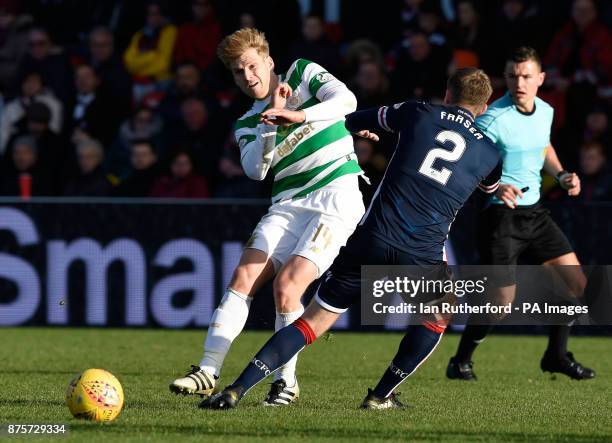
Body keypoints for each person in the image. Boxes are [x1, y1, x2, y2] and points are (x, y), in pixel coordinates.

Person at [202, 67, 502, 410]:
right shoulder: (491, 154)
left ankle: (236, 389)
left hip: (371, 238)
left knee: (311, 322)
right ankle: (380, 395)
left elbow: (352, 119)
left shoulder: (417, 111)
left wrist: (366, 128)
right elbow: (488, 188)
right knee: (437, 317)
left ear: (447, 94)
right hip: (421, 251)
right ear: (485, 106)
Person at [169, 27, 368, 407]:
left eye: (252, 66)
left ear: (269, 61)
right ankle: (208, 370)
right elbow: (256, 172)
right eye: (238, 71)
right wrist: (268, 128)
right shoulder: (247, 121)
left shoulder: (302, 73)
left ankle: (286, 383)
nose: (247, 76)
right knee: (244, 276)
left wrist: (297, 114)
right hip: (288, 202)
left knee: (288, 286)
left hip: (336, 196)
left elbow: (347, 99)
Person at [447, 47, 595, 381]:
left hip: (536, 214)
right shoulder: (492, 118)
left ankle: (556, 356)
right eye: (513, 76)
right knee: (498, 305)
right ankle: (460, 360)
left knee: (577, 284)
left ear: (541, 79)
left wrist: (561, 175)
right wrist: (495, 186)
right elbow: (466, 162)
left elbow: (543, 145)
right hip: (500, 217)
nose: (519, 82)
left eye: (527, 75)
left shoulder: (546, 111)